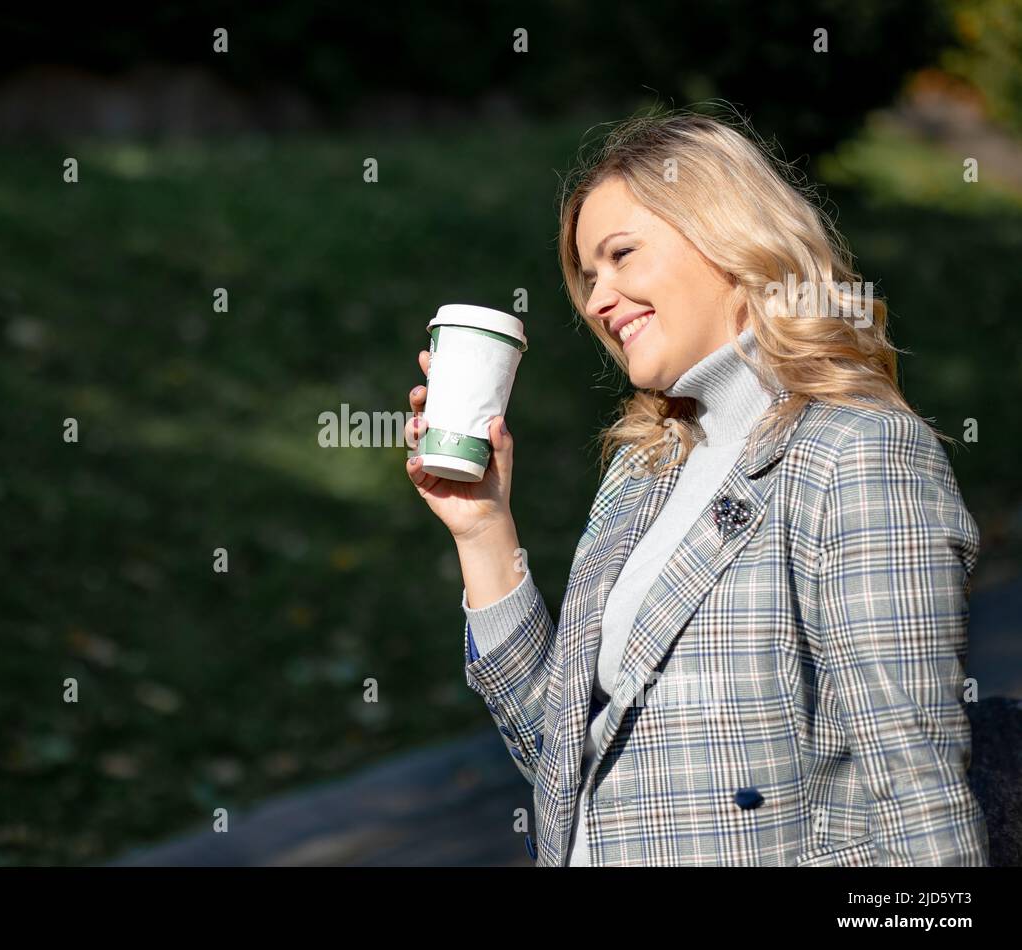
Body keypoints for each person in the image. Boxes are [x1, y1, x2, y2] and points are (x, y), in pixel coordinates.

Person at [404, 108, 988, 867]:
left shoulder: (856, 451)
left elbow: (918, 796)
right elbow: (564, 767)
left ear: (728, 238)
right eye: (587, 276)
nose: (596, 299)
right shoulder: (644, 471)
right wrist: (484, 529)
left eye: (621, 255)